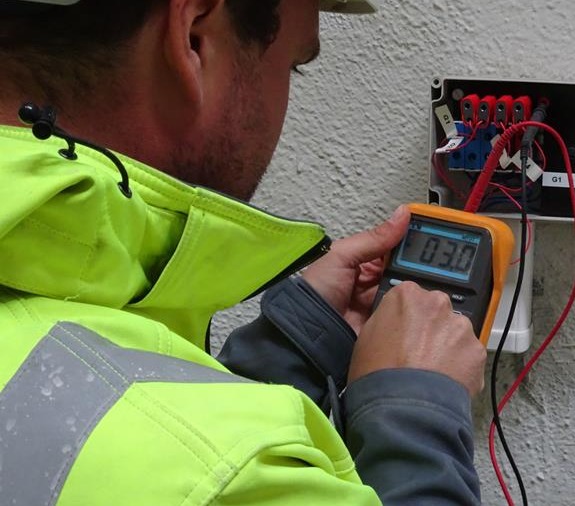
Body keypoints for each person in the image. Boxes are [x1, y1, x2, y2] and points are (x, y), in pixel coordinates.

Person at [0, 1, 486, 504]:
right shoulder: (236, 480)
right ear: (194, 37)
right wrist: (415, 414)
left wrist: (289, 350)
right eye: (294, 65)